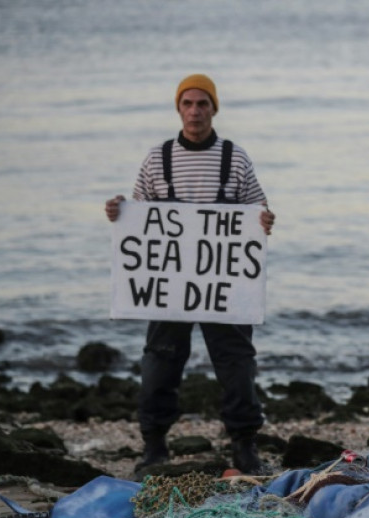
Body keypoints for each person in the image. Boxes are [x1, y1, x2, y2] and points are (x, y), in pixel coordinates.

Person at [104, 74, 276, 475]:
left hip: (225, 285)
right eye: (188, 103)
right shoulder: (156, 158)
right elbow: (140, 218)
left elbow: (256, 211)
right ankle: (154, 445)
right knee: (159, 363)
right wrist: (118, 211)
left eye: (203, 104)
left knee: (237, 364)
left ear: (214, 109)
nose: (195, 111)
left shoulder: (235, 158)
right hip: (169, 286)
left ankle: (244, 446)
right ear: (178, 109)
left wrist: (266, 219)